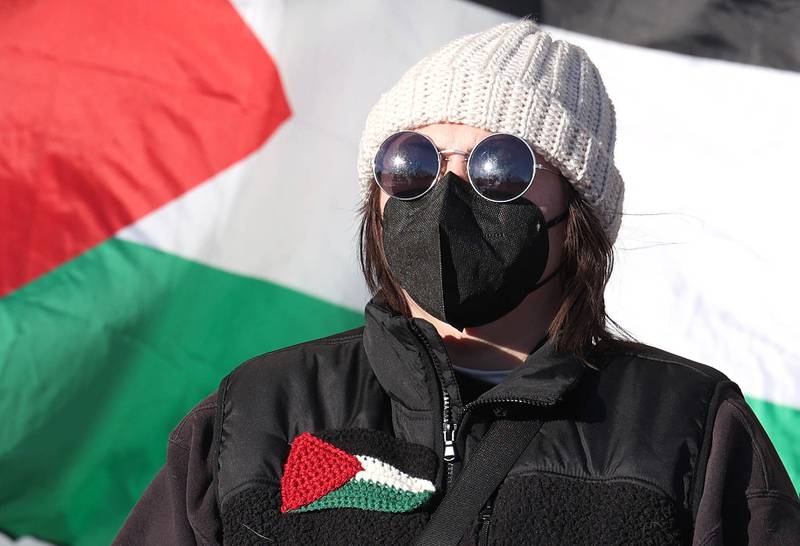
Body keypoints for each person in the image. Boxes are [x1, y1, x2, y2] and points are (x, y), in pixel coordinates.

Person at [113, 18, 800, 545]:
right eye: (411, 162)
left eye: (500, 167)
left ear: (578, 211)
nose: (447, 192)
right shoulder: (255, 414)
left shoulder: (693, 429)